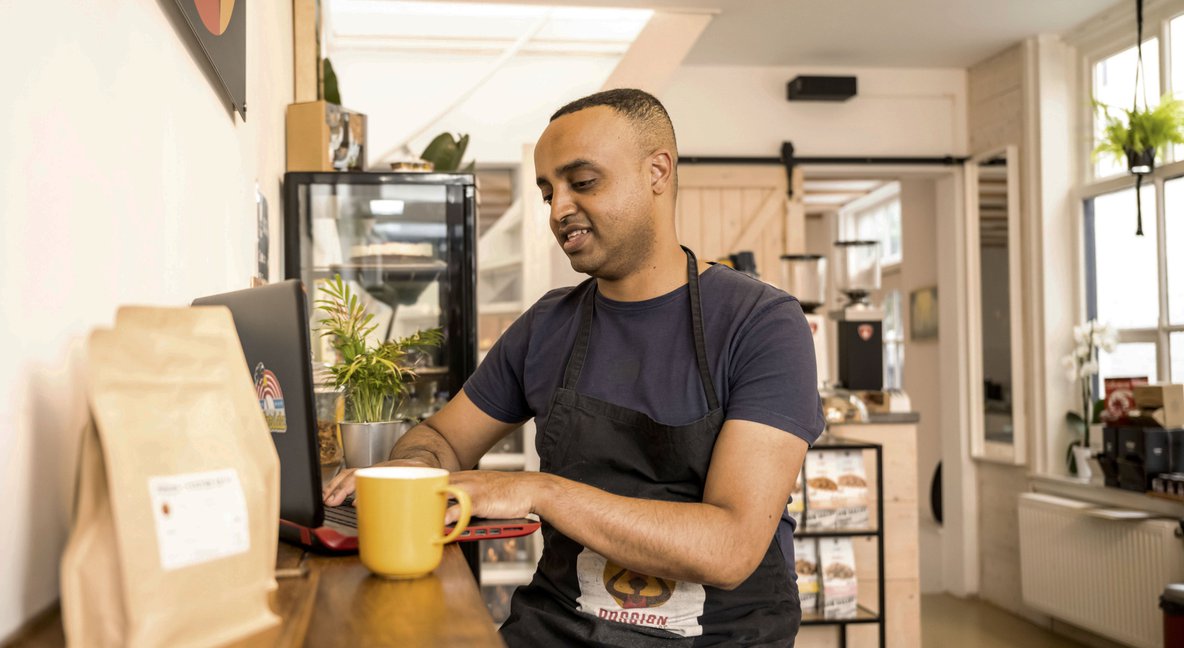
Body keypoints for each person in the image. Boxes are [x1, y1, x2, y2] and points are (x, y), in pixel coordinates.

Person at [323, 88, 825, 647]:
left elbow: (730, 546)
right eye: (547, 192)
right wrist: (412, 473)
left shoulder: (762, 324)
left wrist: (540, 492)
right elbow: (442, 436)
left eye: (582, 182)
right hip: (557, 631)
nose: (559, 208)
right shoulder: (548, 325)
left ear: (657, 171)